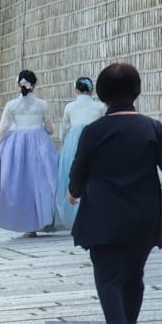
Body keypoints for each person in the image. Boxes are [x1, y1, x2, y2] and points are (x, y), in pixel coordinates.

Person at [68, 63, 162, 324]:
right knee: (134, 277)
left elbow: (79, 170)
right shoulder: (153, 128)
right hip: (142, 219)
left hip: (102, 219)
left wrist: (74, 192)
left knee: (108, 277)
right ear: (137, 91)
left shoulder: (94, 131)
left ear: (102, 94)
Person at [0, 70, 58, 237]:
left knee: (19, 183)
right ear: (34, 84)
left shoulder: (11, 105)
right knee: (41, 183)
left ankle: (25, 223)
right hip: (40, 144)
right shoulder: (42, 104)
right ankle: (38, 221)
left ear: (18, 84)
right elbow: (50, 129)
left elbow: (3, 130)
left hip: (16, 145)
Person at [55, 77, 105, 229]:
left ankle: (75, 214)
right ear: (92, 90)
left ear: (76, 90)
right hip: (95, 142)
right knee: (95, 176)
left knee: (74, 173)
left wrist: (64, 146)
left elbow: (65, 130)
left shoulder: (70, 107)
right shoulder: (100, 106)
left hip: (73, 144)